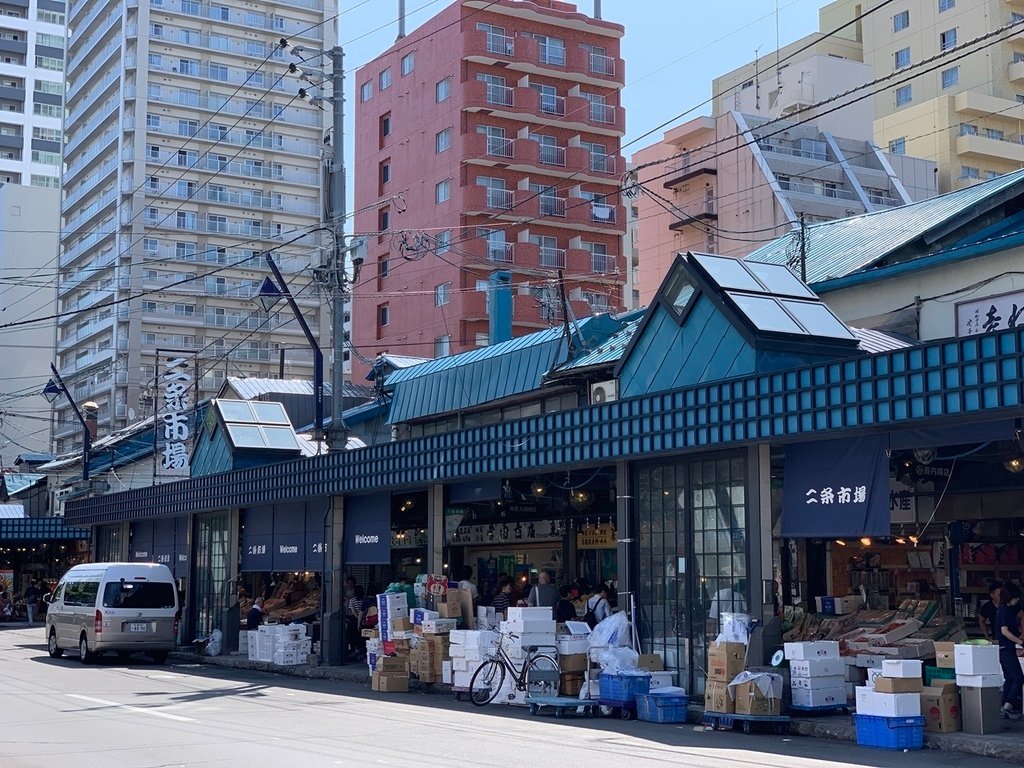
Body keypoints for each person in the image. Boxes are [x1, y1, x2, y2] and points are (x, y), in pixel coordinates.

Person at [996, 583, 1024, 719]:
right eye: (1016, 597)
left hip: (1005, 648)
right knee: (1019, 677)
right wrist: (1020, 642)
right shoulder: (1004, 610)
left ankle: (1003, 707)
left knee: (1009, 678)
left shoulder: (1006, 609)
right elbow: (1004, 631)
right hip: (1006, 648)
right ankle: (1007, 706)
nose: (1017, 600)